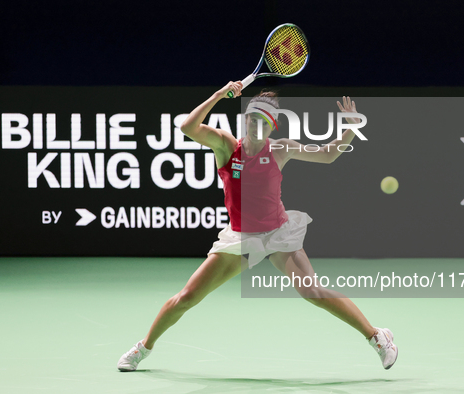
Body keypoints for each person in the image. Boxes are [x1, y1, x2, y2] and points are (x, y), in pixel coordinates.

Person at [117, 82, 398, 371]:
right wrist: (218, 95)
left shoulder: (280, 149)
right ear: (245, 119)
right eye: (252, 118)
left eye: (263, 120)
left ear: (272, 125)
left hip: (278, 234)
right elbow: (188, 127)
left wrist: (350, 127)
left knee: (313, 292)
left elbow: (328, 154)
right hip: (241, 238)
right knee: (187, 297)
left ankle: (379, 337)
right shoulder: (226, 146)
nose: (256, 124)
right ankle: (143, 348)